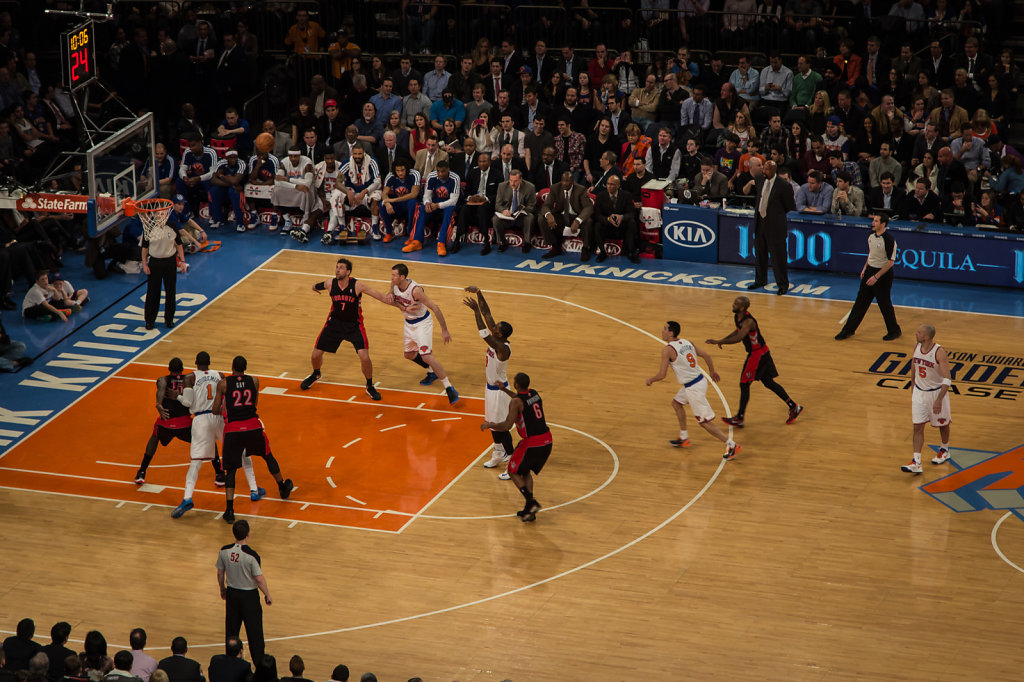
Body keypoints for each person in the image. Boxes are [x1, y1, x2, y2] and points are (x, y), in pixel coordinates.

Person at [212, 355, 294, 523]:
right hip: (252, 426)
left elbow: (215, 410)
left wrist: (228, 411)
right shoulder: (255, 381)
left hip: (233, 428)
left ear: (232, 367)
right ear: (246, 368)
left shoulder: (224, 384)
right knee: (267, 455)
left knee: (231, 470)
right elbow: (253, 404)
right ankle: (282, 487)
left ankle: (229, 510)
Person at [646, 322, 740, 460]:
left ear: (671, 333)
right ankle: (684, 437)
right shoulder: (686, 342)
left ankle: (732, 445)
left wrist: (651, 380)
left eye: (665, 329)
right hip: (700, 380)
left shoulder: (668, 350)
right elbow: (707, 356)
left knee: (704, 422)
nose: (662, 331)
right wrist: (712, 371)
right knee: (676, 403)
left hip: (693, 388)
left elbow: (662, 375)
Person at [300, 258, 390, 400]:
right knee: (315, 355)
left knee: (364, 357)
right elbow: (317, 285)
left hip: (354, 325)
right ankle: (316, 373)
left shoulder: (357, 285)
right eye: (336, 267)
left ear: (348, 272)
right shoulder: (330, 283)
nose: (337, 270)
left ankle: (370, 385)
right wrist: (314, 287)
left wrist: (400, 305)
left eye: (341, 268)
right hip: (334, 324)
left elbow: (379, 296)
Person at [705, 296, 803, 427]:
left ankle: (739, 418)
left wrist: (720, 341)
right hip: (762, 353)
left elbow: (739, 337)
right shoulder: (737, 317)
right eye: (734, 302)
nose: (733, 305)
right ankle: (794, 406)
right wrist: (722, 340)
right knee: (768, 382)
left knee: (744, 384)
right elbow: (737, 331)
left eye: (736, 304)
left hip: (757, 355)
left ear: (743, 307)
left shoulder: (748, 321)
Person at [133, 357, 223, 487]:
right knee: (209, 439)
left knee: (154, 438)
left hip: (166, 423)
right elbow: (192, 398)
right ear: (182, 369)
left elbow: (161, 391)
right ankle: (219, 473)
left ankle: (141, 472)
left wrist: (158, 404)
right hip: (185, 423)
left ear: (169, 369)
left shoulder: (163, 380)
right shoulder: (189, 380)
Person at [168, 352, 236, 519]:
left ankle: (187, 498)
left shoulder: (190, 377)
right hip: (219, 417)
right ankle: (255, 488)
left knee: (196, 463)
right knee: (238, 450)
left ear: (196, 363)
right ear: (210, 363)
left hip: (201, 420)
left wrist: (177, 396)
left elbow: (188, 403)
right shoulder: (219, 375)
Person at [480, 372, 552, 521]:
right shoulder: (533, 394)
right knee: (525, 471)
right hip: (547, 439)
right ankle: (529, 509)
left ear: (517, 385)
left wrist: (490, 424)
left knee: (512, 471)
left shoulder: (516, 402)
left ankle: (531, 502)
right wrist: (504, 389)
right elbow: (520, 399)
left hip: (532, 442)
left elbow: (507, 425)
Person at [389, 264, 459, 404]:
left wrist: (444, 330)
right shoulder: (394, 284)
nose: (391, 278)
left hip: (422, 323)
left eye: (394, 275)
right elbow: (392, 299)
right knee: (408, 354)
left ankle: (449, 387)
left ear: (402, 277)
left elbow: (435, 308)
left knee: (426, 356)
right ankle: (431, 372)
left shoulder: (416, 291)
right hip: (409, 323)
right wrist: (402, 306)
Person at [463, 287, 515, 474]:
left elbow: (483, 333)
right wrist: (478, 293)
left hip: (499, 392)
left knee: (501, 426)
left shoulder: (501, 348)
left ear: (500, 334)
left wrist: (475, 312)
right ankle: (499, 452)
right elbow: (487, 313)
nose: (493, 327)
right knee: (493, 424)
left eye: (496, 327)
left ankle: (512, 458)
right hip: (490, 388)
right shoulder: (498, 337)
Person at [835, 213, 902, 341]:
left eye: (876, 221)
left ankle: (894, 330)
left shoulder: (888, 240)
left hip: (882, 275)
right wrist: (865, 268)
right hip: (870, 271)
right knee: (860, 302)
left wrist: (876, 277)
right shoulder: (871, 236)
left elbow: (890, 262)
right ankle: (848, 330)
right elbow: (871, 254)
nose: (873, 223)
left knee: (884, 304)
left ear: (883, 224)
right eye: (873, 221)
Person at [216, 521, 270, 667]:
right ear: (248, 534)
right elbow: (258, 579)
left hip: (232, 595)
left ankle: (230, 665)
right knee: (255, 635)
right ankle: (260, 668)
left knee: (231, 633)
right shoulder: (252, 555)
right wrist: (267, 594)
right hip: (249, 597)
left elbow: (220, 574)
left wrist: (222, 589)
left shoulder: (224, 551)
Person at [901, 324, 952, 474]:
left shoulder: (939, 352)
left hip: (936, 393)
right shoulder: (916, 346)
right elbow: (914, 363)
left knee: (942, 424)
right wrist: (912, 384)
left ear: (927, 337)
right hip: (919, 392)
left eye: (919, 332)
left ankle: (945, 449)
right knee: (917, 426)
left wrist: (939, 400)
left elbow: (947, 379)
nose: (915, 333)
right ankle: (916, 461)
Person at [749, 160, 795, 295]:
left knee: (778, 256)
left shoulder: (784, 185)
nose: (764, 171)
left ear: (774, 170)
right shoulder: (759, 179)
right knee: (760, 253)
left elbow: (789, 206)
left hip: (775, 225)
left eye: (767, 169)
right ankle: (760, 280)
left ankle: (782, 284)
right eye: (763, 168)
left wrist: (775, 215)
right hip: (760, 222)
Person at [141, 207, 184, 330]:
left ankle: (169, 319)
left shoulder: (172, 226)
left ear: (166, 214)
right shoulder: (148, 228)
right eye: (158, 213)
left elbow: (179, 244)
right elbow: (144, 248)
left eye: (162, 213)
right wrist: (144, 264)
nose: (160, 215)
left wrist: (182, 261)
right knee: (153, 292)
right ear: (154, 215)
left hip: (170, 261)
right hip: (155, 262)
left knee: (171, 291)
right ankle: (149, 320)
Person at [539, 171, 594, 261]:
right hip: (561, 217)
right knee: (542, 218)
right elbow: (546, 206)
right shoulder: (555, 188)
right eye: (563, 181)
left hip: (575, 217)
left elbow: (588, 207)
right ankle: (555, 247)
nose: (564, 183)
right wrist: (548, 215)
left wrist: (578, 220)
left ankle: (585, 249)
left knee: (588, 221)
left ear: (572, 181)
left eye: (567, 181)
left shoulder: (581, 189)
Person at [594, 175, 639, 263]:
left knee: (632, 222)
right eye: (608, 184)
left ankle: (631, 252)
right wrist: (608, 219)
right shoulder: (600, 196)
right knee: (597, 225)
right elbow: (597, 215)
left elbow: (632, 213)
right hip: (607, 224)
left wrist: (621, 217)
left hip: (622, 224)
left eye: (612, 184)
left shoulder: (626, 195)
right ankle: (602, 252)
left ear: (618, 185)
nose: (609, 186)